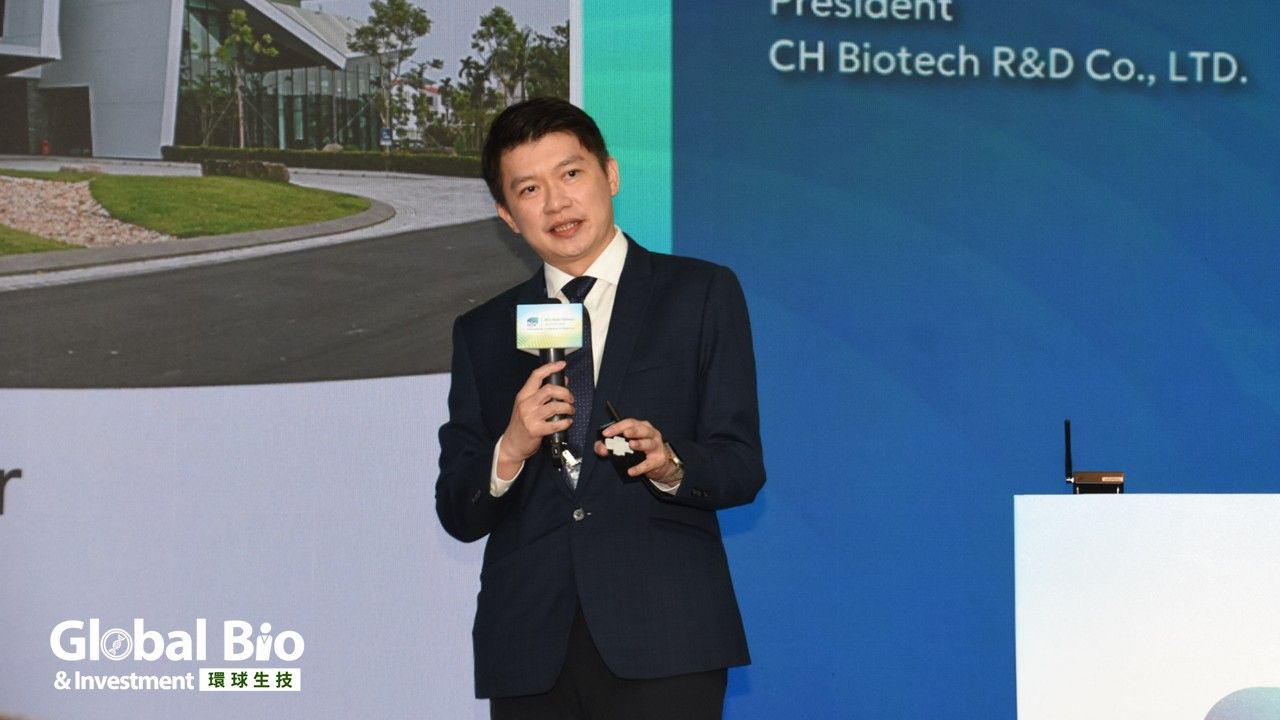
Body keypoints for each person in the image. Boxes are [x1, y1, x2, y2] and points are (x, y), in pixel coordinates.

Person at [436, 97, 765, 720]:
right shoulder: (482, 332)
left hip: (666, 638)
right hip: (530, 649)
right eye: (529, 189)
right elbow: (458, 510)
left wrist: (670, 464)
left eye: (570, 174)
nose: (556, 203)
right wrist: (510, 448)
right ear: (507, 215)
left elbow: (741, 465)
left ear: (609, 174)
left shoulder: (699, 293)